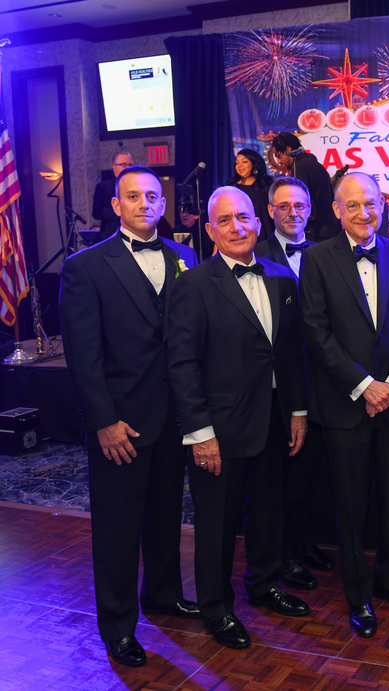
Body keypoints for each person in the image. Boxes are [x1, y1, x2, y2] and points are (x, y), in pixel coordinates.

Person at [59, 165, 199, 668]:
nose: (144, 204)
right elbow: (83, 355)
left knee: (165, 515)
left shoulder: (185, 257)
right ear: (116, 205)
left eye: (152, 196)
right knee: (118, 528)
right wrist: (103, 421)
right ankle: (118, 623)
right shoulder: (86, 266)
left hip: (175, 419)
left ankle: (162, 594)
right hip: (122, 422)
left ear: (164, 204)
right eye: (132, 196)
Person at [166, 186, 311, 650]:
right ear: (209, 230)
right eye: (224, 220)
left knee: (268, 512)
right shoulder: (192, 284)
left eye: (243, 217)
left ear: (258, 221)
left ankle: (264, 584)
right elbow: (182, 364)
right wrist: (200, 433)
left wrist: (297, 411)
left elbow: (291, 354)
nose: (236, 227)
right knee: (217, 523)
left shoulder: (280, 277)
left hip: (273, 420)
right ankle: (216, 608)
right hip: (219, 429)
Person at [300, 172, 389, 639]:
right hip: (345, 405)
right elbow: (315, 331)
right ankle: (358, 596)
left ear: (382, 205)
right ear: (337, 210)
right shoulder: (316, 259)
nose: (363, 213)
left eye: (370, 203)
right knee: (350, 506)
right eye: (352, 205)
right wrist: (364, 385)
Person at [254, 176, 336, 589]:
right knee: (279, 476)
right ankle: (280, 555)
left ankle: (301, 543)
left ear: (310, 209)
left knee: (309, 472)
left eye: (299, 205)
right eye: (283, 206)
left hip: (323, 381)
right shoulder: (253, 255)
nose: (292, 213)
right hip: (278, 385)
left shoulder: (326, 254)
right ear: (270, 211)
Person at [271, 132, 339, 242]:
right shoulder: (313, 164)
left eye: (279, 156)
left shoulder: (299, 167)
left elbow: (299, 201)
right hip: (330, 228)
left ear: (288, 150)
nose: (279, 161)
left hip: (316, 232)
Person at [226, 148, 275, 242]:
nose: (239, 166)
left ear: (254, 164)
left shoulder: (266, 185)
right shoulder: (232, 186)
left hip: (266, 234)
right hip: (240, 233)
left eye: (244, 162)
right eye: (237, 163)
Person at [91, 151, 133, 239]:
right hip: (111, 234)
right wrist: (122, 211)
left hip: (134, 234)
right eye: (123, 164)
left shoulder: (138, 187)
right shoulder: (103, 187)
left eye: (130, 164)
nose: (128, 167)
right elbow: (97, 212)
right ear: (114, 167)